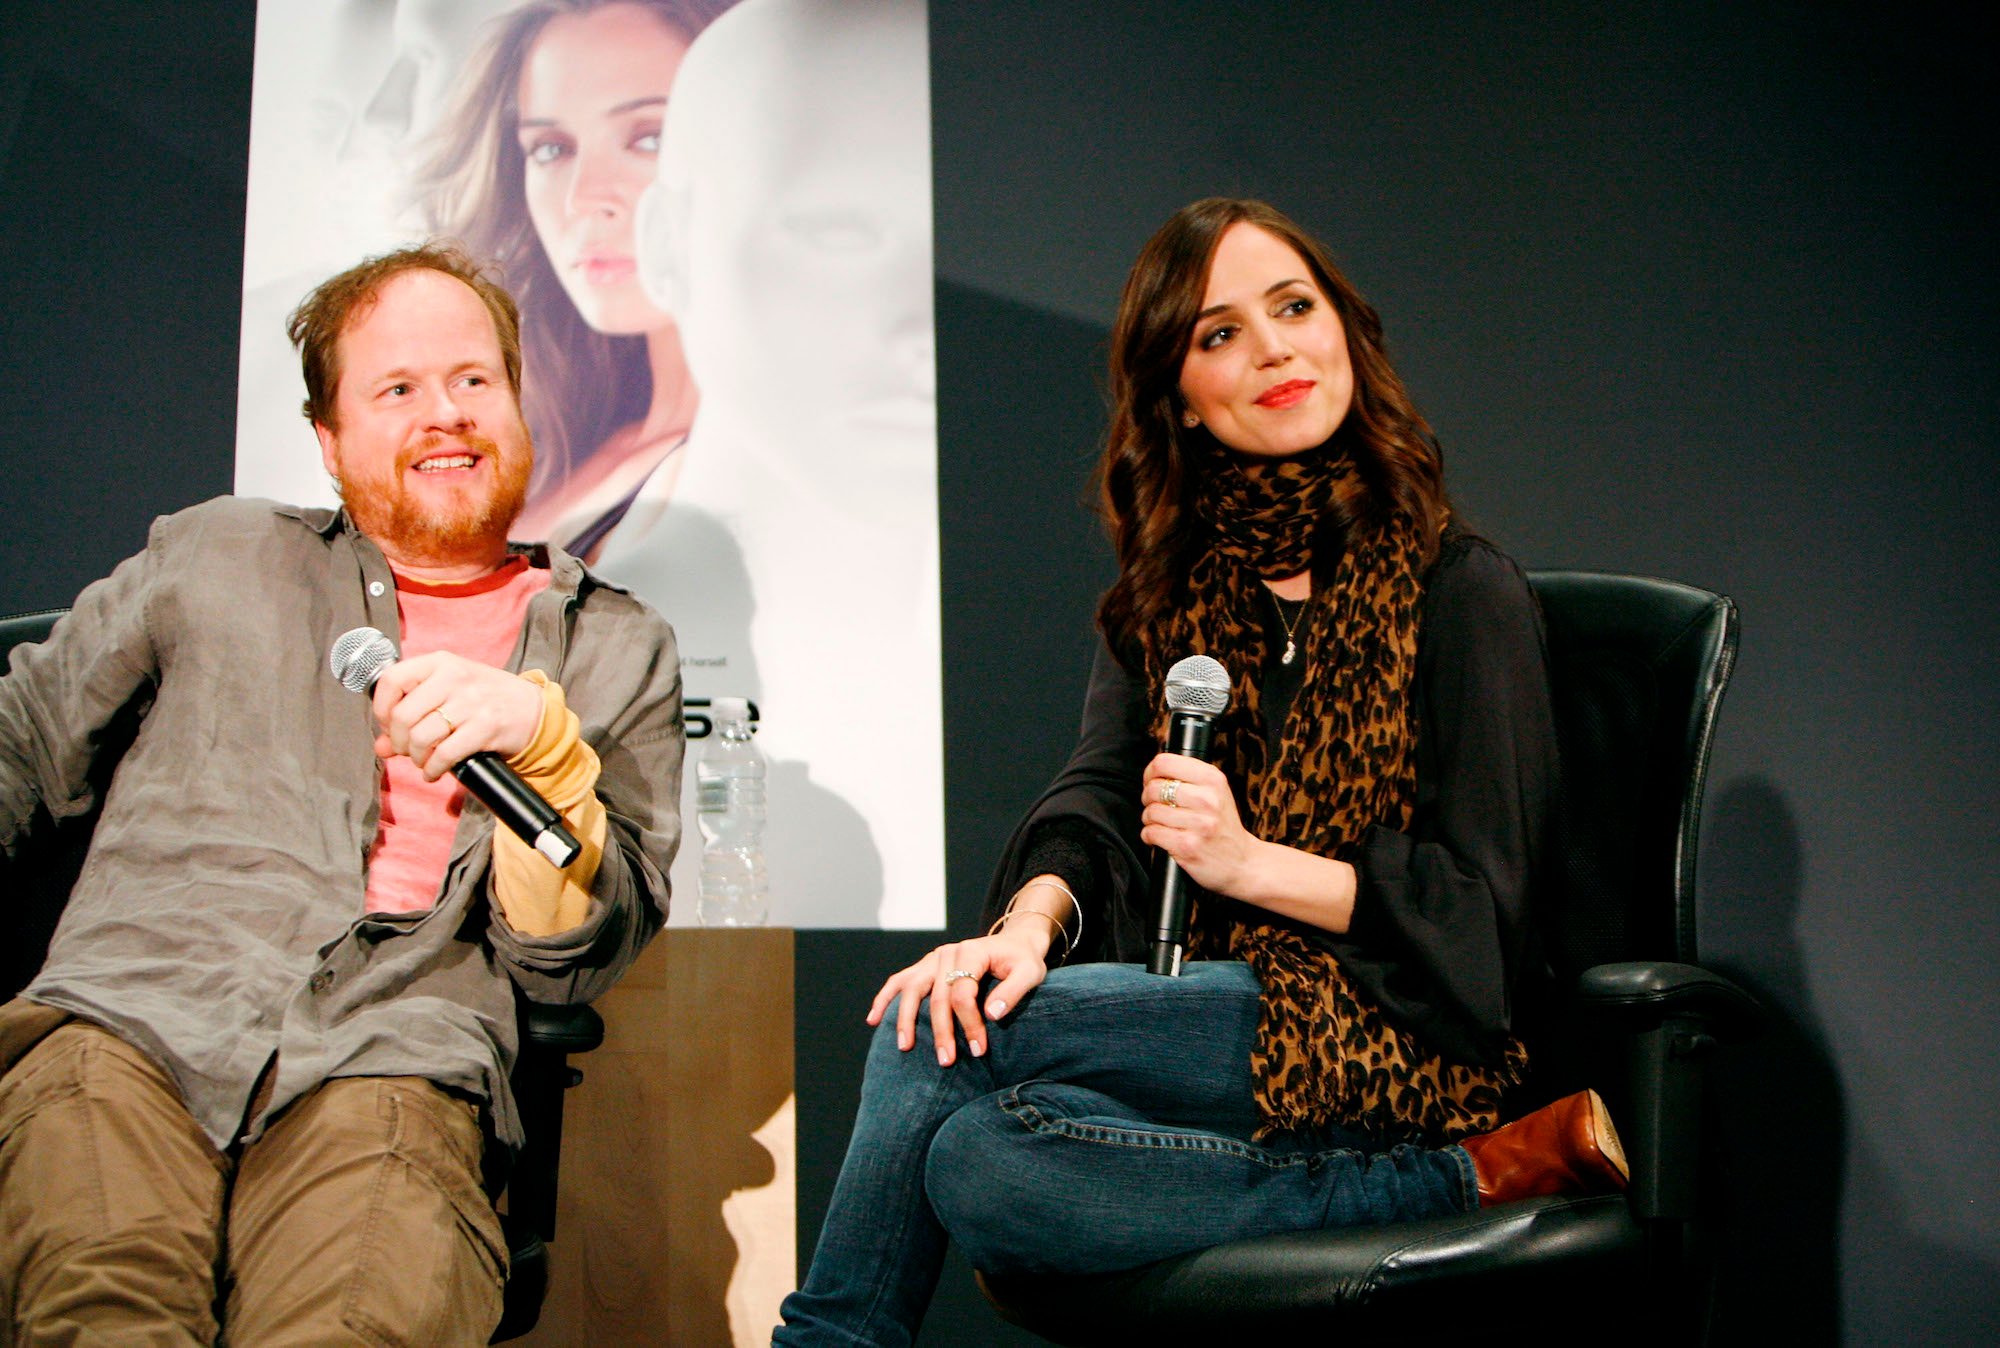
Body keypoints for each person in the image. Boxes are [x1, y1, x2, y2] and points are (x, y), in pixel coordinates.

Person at [773, 198, 1629, 1344]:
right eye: (1220, 332)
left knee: (931, 1030)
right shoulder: (1169, 601)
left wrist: (1245, 862)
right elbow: (1096, 793)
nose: (1272, 348)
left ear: (1343, 331)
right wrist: (1023, 930)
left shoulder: (1461, 591)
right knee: (981, 1161)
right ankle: (1461, 1182)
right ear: (1178, 392)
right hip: (1220, 1022)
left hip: (1399, 1026)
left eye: (1293, 308)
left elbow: (1484, 924)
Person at [0, 242, 683, 1343]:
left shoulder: (615, 644)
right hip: (131, 1025)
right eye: (397, 389)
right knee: (102, 1317)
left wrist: (543, 749)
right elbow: (21, 743)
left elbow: (573, 956)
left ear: (518, 405)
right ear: (328, 438)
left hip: (395, 1054)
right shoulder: (216, 553)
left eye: (473, 379)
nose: (446, 413)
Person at [602, 0, 942, 927]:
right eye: (840, 234)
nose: (917, 320)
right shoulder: (577, 641)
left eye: (944, 246)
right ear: (666, 248)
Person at [417, 0, 733, 556]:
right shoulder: (555, 437)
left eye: (649, 138)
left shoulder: (743, 464)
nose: (582, 197)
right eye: (552, 149)